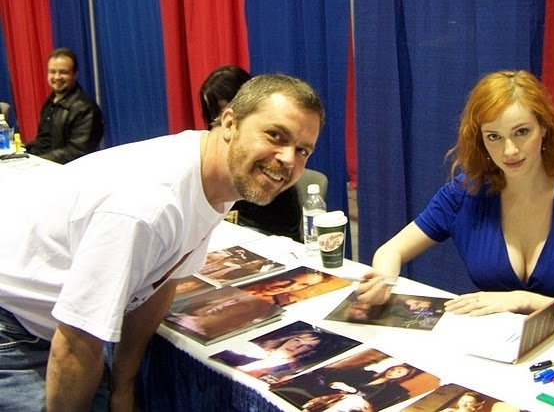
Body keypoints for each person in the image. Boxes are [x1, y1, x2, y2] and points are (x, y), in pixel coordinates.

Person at [0, 73, 324, 411]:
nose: (289, 159)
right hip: (14, 325)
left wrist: (124, 386)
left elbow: (163, 280)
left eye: (302, 150)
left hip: (55, 328)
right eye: (275, 135)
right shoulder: (150, 206)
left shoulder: (217, 174)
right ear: (230, 123)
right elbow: (75, 342)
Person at [357, 70, 554, 340]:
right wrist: (383, 281)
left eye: (522, 132)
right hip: (495, 344)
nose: (510, 150)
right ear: (480, 140)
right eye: (494, 136)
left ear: (544, 128)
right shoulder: (464, 194)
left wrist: (522, 300)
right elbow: (391, 251)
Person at [200, 65, 303, 240]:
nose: (220, 122)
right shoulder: (211, 154)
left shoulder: (268, 158)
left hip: (269, 231)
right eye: (214, 113)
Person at [24, 47, 104, 163]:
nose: (57, 77)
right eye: (52, 72)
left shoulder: (86, 109)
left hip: (60, 169)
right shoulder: (50, 101)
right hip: (41, 163)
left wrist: (36, 162)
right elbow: (43, 141)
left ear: (75, 74)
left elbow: (77, 152)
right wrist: (21, 151)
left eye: (63, 72)